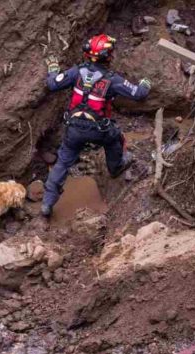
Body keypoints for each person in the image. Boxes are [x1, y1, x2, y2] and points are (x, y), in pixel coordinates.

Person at [41, 34, 152, 218]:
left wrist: (53, 69)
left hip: (74, 129)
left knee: (63, 162)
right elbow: (139, 93)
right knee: (115, 138)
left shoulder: (76, 71)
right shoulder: (113, 79)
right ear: (108, 56)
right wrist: (145, 83)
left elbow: (53, 84)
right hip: (99, 131)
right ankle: (116, 167)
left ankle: (47, 203)